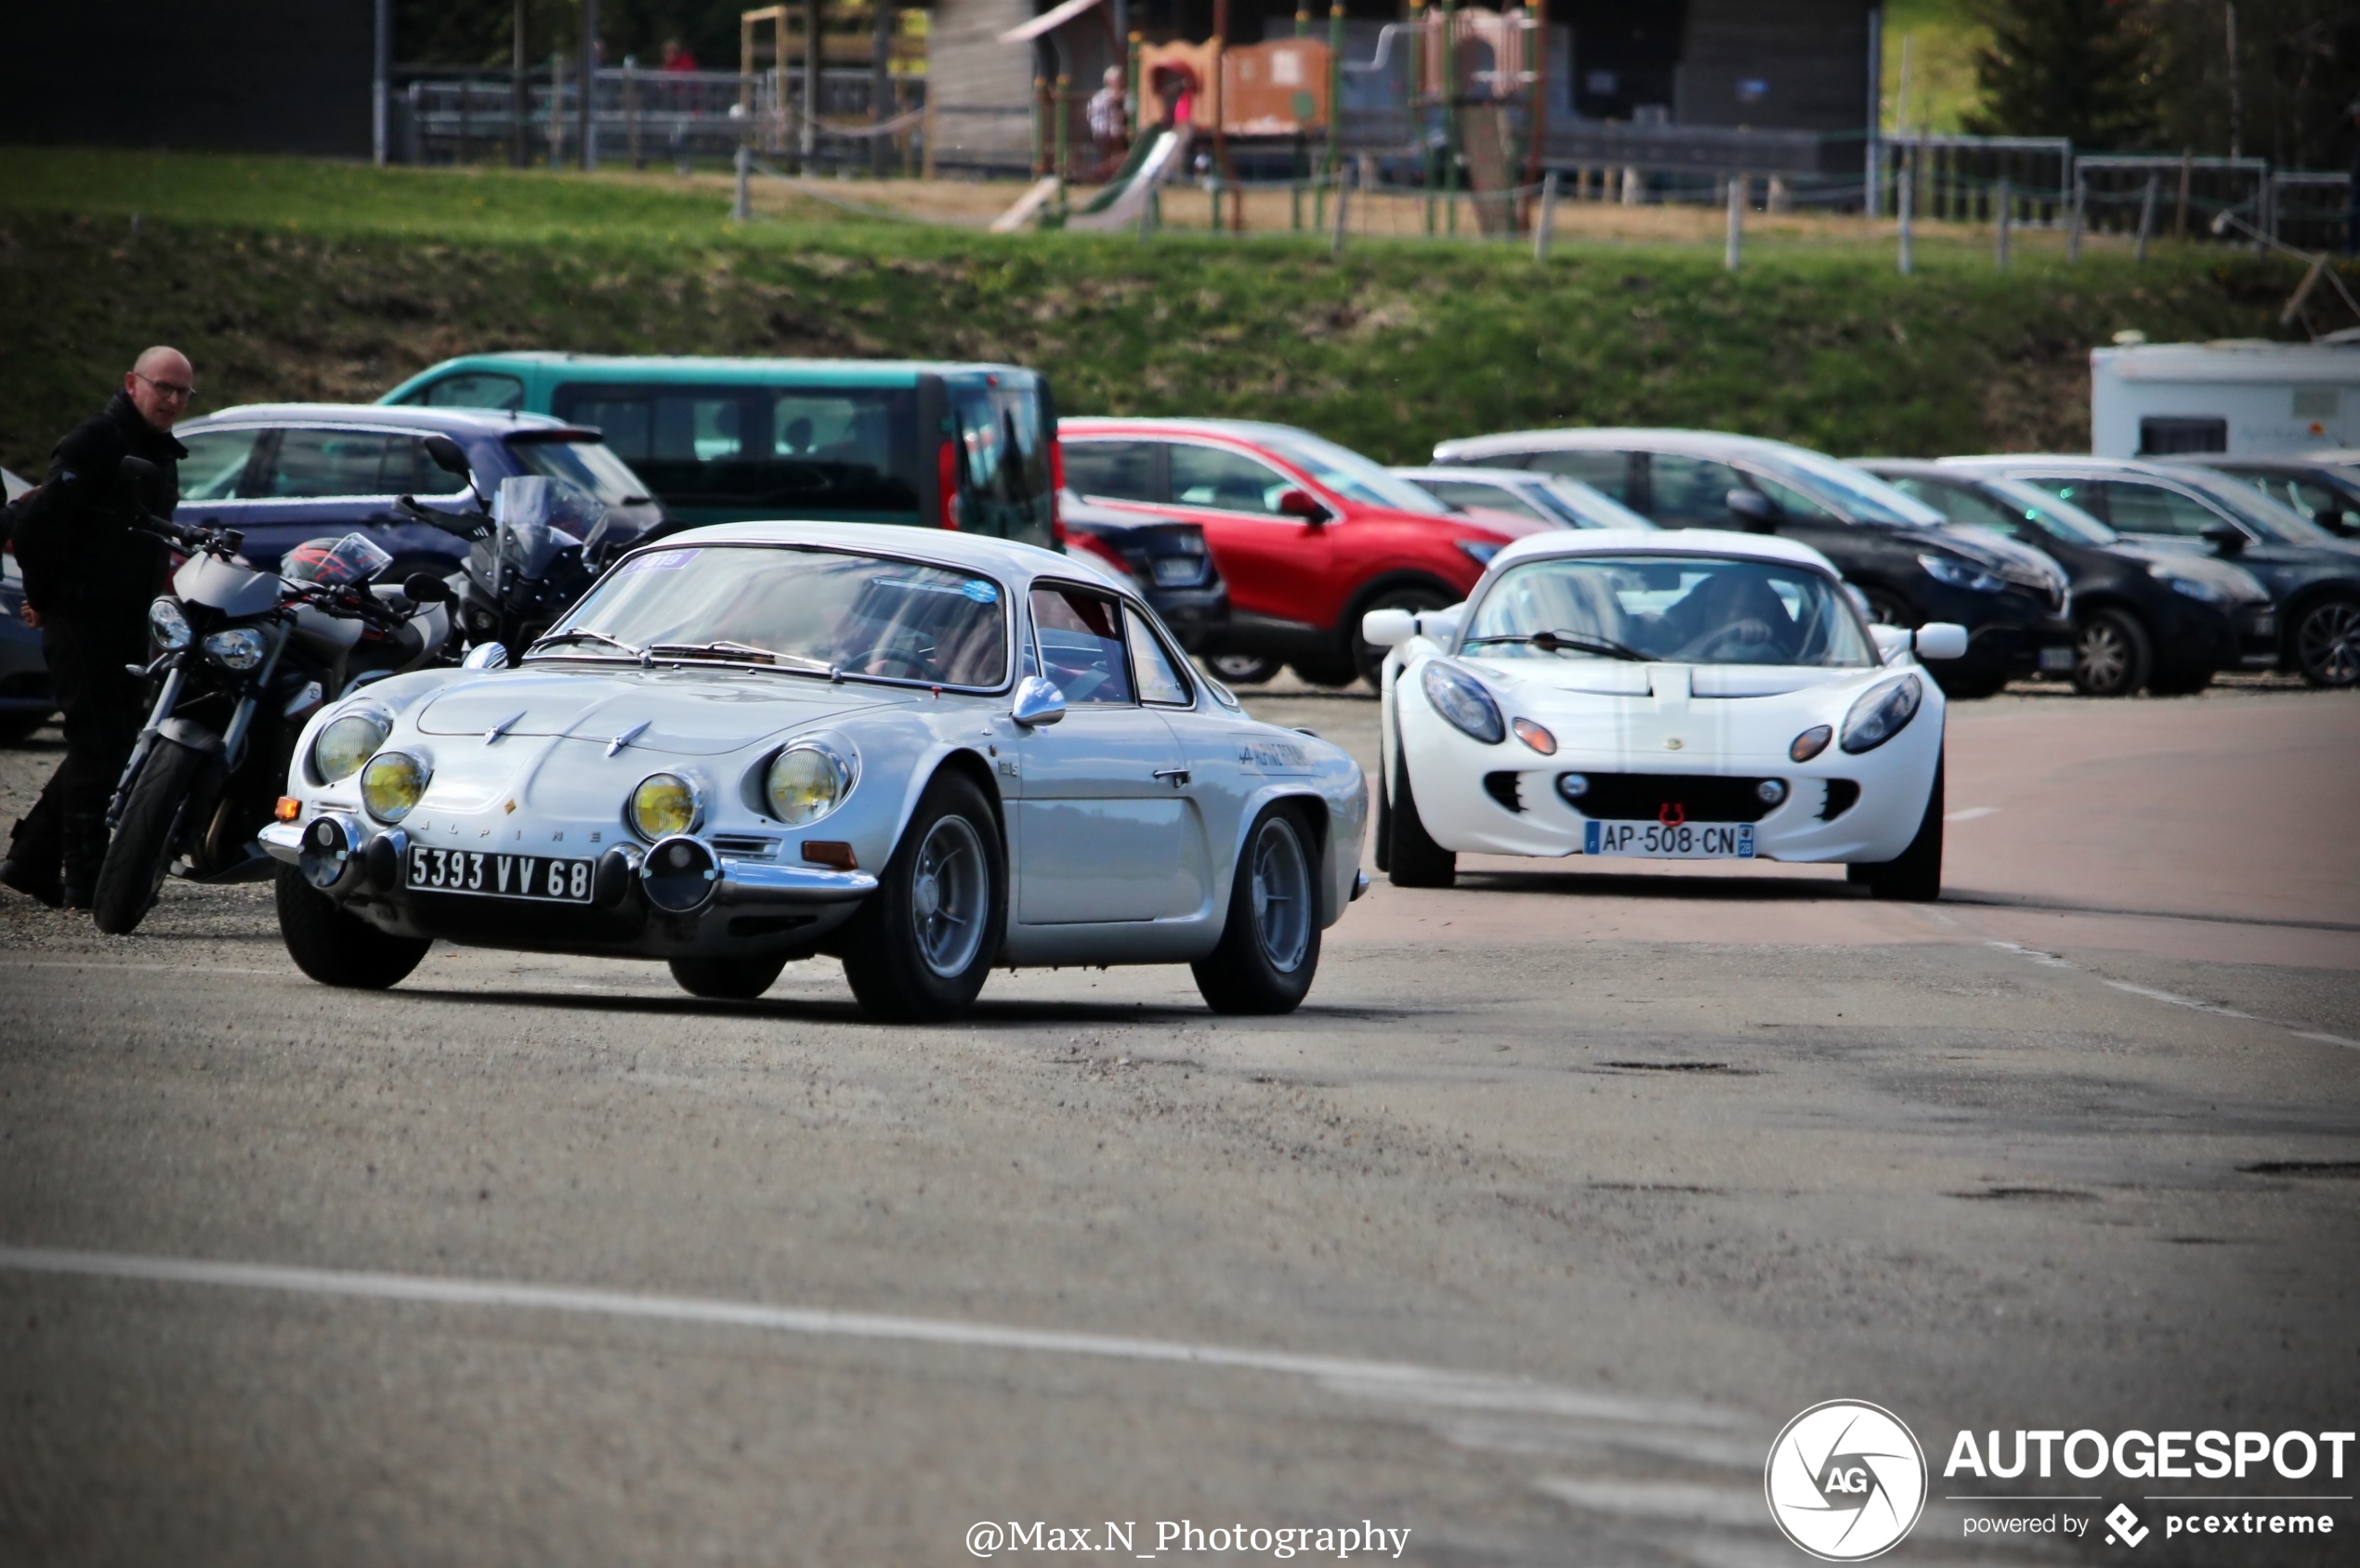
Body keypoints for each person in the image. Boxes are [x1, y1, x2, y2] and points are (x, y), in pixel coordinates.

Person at [0, 348, 189, 909]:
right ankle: (87, 877)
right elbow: (35, 525)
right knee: (97, 744)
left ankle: (31, 859)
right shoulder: (96, 440)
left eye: (183, 393)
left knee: (107, 743)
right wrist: (42, 598)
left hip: (125, 618)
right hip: (82, 616)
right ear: (133, 383)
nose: (174, 401)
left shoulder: (159, 449)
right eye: (164, 388)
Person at [1086, 66, 1130, 176]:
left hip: (1121, 130)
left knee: (1124, 138)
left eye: (1119, 80)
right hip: (1103, 130)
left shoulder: (1126, 95)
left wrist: (1124, 102)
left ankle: (1118, 171)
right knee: (1113, 140)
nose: (1118, 83)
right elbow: (1094, 115)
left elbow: (1132, 109)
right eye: (1116, 80)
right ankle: (1108, 172)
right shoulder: (1100, 97)